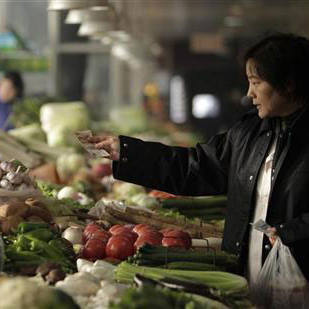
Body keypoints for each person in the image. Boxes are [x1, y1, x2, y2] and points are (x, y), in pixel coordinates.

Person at [90, 33, 309, 282]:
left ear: (289, 84)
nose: (249, 93)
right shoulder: (250, 134)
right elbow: (196, 166)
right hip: (251, 281)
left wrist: (292, 232)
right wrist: (127, 152)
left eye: (256, 82)